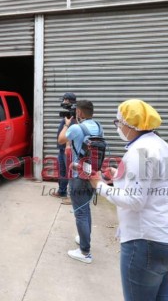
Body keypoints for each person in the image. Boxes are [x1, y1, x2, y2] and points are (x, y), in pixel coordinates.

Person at [93, 99, 168, 300]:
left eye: (119, 122)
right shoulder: (160, 144)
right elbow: (153, 183)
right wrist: (118, 176)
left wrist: (99, 186)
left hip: (149, 242)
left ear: (131, 125)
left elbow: (134, 201)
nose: (118, 127)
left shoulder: (140, 152)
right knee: (162, 297)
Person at [58, 99, 103, 263]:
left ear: (80, 113)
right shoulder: (99, 126)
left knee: (80, 213)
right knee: (86, 208)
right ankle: (84, 239)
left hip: (78, 176)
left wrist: (66, 125)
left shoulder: (76, 128)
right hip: (92, 174)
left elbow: (61, 140)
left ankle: (85, 252)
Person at [51, 92, 76, 205]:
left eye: (65, 100)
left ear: (69, 101)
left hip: (67, 149)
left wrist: (67, 146)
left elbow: (71, 132)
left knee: (70, 172)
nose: (63, 102)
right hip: (62, 149)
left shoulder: (73, 115)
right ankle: (62, 191)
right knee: (62, 171)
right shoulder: (67, 114)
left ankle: (72, 197)